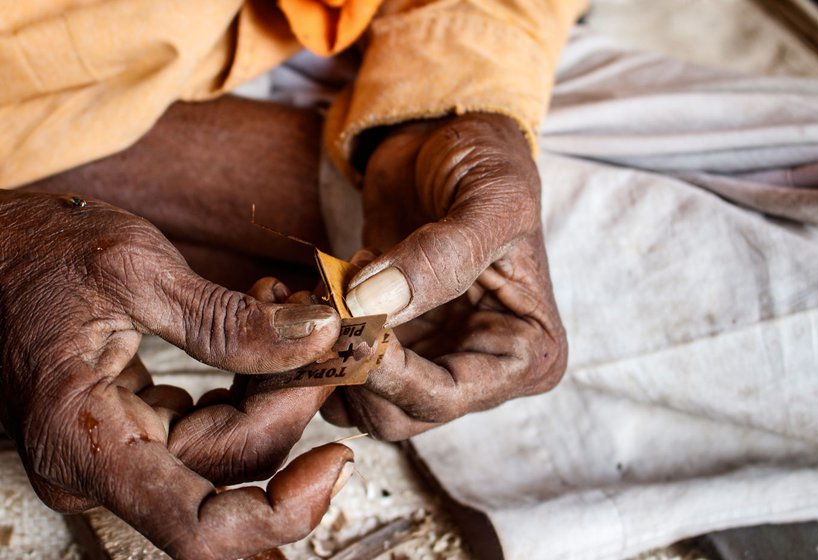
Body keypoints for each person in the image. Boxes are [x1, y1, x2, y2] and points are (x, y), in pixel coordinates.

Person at [0, 1, 586, 557]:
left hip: (318, 47)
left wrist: (446, 109)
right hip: (34, 92)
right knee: (593, 238)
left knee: (593, 236)